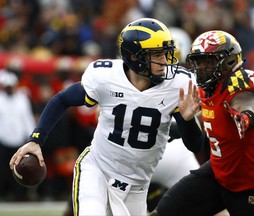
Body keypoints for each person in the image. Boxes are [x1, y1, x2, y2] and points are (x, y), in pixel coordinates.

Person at [10, 18, 204, 216]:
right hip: (98, 171)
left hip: (137, 185)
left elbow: (195, 145)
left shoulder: (178, 84)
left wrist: (188, 121)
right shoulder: (106, 77)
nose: (164, 61)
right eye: (157, 55)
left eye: (165, 53)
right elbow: (62, 100)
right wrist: (36, 140)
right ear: (135, 57)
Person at [150, 30, 254, 216]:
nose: (201, 68)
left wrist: (245, 117)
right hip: (218, 173)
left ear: (228, 61)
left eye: (208, 62)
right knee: (164, 212)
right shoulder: (206, 90)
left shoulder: (241, 79)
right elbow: (207, 126)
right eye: (199, 62)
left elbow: (246, 102)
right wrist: (179, 124)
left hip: (253, 184)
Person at [0, 70, 36, 201]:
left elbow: (27, 119)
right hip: (3, 139)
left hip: (19, 140)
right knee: (3, 170)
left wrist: (32, 138)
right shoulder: (0, 99)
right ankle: (3, 194)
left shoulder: (22, 99)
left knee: (21, 169)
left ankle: (20, 195)